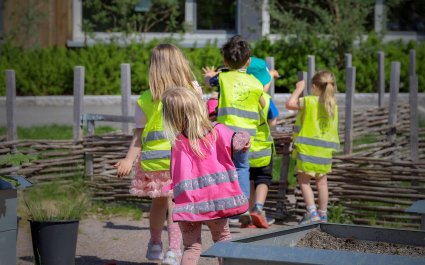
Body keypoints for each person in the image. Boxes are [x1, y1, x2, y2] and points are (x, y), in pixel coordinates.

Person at [114, 43, 202, 265]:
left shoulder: (146, 98)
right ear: (180, 64)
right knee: (175, 204)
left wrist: (128, 159)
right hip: (181, 162)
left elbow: (138, 135)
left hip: (154, 162)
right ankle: (174, 250)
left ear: (154, 67)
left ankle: (155, 244)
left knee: (159, 204)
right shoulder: (190, 93)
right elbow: (200, 123)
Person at [161, 86, 250, 265]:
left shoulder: (177, 142)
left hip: (188, 205)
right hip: (218, 202)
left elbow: (175, 173)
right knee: (223, 239)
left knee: (191, 248)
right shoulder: (218, 130)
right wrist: (244, 138)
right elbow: (239, 142)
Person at [211, 35, 265, 227]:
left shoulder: (222, 78)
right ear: (248, 61)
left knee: (222, 167)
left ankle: (222, 207)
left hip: (225, 133)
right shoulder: (256, 83)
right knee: (242, 168)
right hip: (246, 135)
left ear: (225, 61)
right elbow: (263, 103)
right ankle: (242, 207)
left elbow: (211, 83)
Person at [285, 70, 339, 224]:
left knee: (304, 181)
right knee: (322, 183)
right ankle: (323, 215)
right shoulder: (333, 105)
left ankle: (312, 212)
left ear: (314, 86)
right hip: (324, 151)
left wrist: (298, 89)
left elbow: (289, 104)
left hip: (307, 150)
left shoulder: (309, 101)